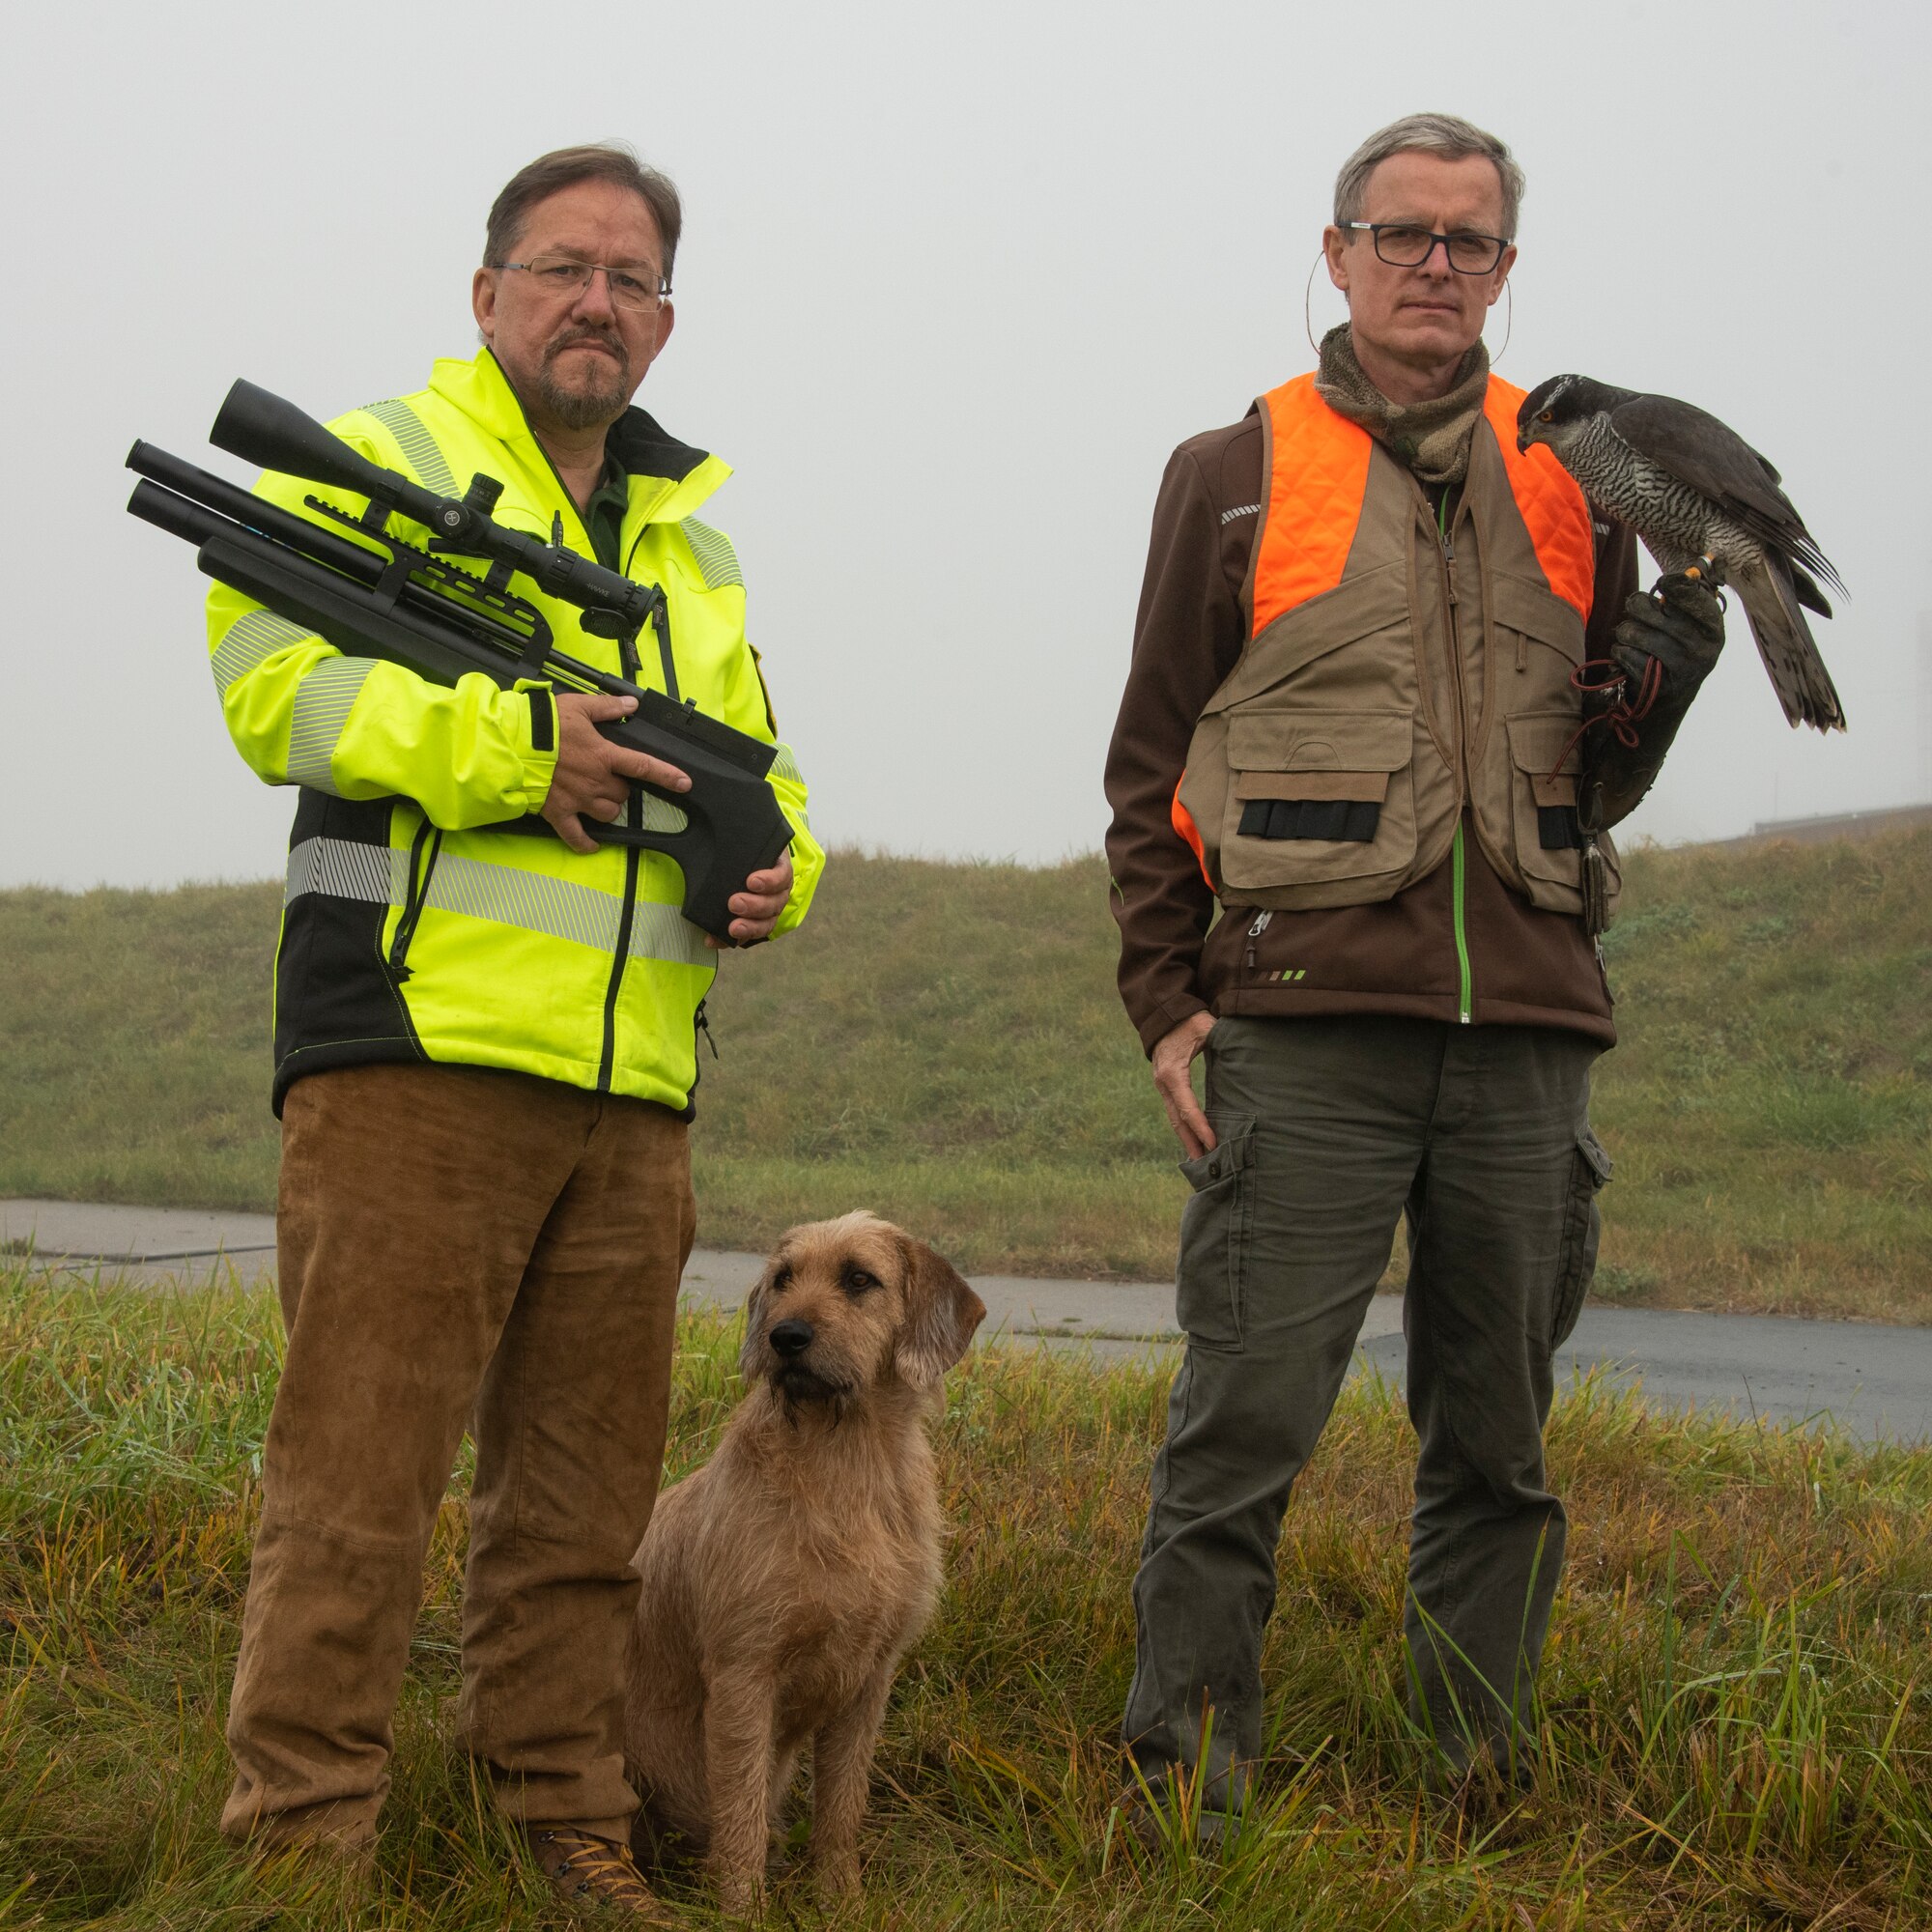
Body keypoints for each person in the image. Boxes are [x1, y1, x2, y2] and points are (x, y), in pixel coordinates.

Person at [209, 142, 824, 1915]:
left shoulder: (689, 546)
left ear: (664, 323)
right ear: (488, 294)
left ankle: (565, 1818)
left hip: (634, 1093)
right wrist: (512, 749)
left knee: (580, 1509)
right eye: (562, 269)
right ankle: (300, 1846)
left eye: (629, 281)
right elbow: (280, 690)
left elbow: (763, 783)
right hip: (418, 1052)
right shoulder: (387, 464)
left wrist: (787, 884)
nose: (595, 304)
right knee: (356, 1483)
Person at [1103, 112, 1723, 1814]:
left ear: (1508, 273)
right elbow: (1151, 762)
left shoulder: (1584, 466)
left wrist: (1660, 685)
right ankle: (1187, 1792)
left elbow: (1597, 771)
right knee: (1239, 1437)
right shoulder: (1230, 472)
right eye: (1401, 236)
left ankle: (1472, 1791)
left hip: (1528, 1029)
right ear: (1339, 255)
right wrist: (1169, 1002)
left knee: (1499, 1455)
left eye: (1467, 242)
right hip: (1302, 1031)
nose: (1433, 265)